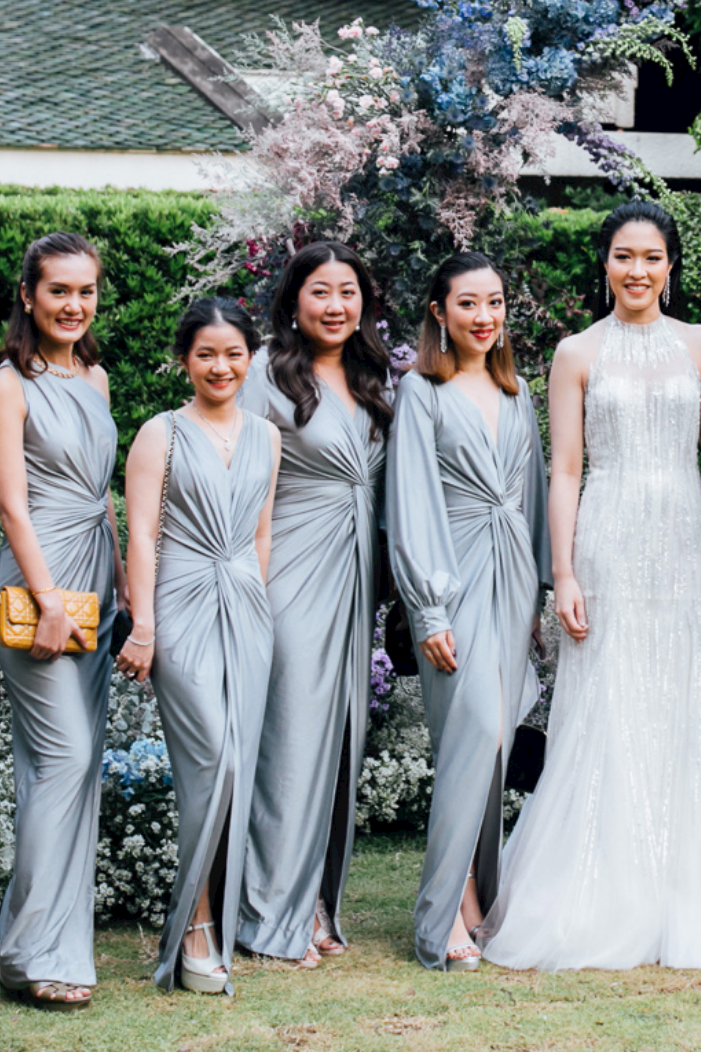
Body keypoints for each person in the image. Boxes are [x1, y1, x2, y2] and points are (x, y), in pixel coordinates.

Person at [481, 201, 701, 972]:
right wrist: (563, 572)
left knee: (684, 696)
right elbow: (564, 469)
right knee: (610, 698)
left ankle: (687, 893)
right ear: (606, 263)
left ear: (671, 265)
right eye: (624, 255)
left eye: (651, 256)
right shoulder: (576, 352)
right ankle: (598, 892)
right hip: (608, 535)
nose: (637, 270)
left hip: (683, 537)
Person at [386, 252, 552, 971]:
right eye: (468, 305)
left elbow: (536, 493)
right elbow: (410, 501)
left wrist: (540, 594)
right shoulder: (421, 390)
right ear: (438, 312)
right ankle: (443, 910)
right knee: (471, 735)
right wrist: (428, 608)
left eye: (495, 303)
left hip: (512, 578)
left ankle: (477, 896)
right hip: (451, 576)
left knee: (496, 744)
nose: (484, 318)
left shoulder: (516, 392)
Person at [117, 299, 281, 995]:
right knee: (210, 758)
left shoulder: (267, 436)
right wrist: (144, 626)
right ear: (185, 358)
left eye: (234, 353)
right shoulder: (162, 434)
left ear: (251, 357)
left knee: (237, 767)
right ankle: (191, 927)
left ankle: (209, 921)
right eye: (206, 354)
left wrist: (259, 605)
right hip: (179, 605)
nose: (222, 367)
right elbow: (142, 535)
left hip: (245, 606)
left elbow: (262, 535)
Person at [238, 241, 394, 966]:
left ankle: (316, 901)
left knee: (338, 745)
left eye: (349, 292)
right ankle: (270, 914)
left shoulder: (375, 377)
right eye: (321, 292)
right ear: (294, 302)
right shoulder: (264, 378)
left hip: (355, 575)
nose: (337, 306)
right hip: (290, 571)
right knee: (291, 742)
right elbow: (232, 476)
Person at [0, 232, 122, 1011]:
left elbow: (100, 494)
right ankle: (26, 950)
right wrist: (43, 601)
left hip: (96, 584)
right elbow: (12, 504)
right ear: (29, 297)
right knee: (64, 758)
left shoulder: (97, 378)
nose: (75, 305)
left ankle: (51, 941)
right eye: (59, 291)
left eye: (86, 291)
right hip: (39, 583)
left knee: (75, 768)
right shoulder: (8, 385)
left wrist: (126, 580)